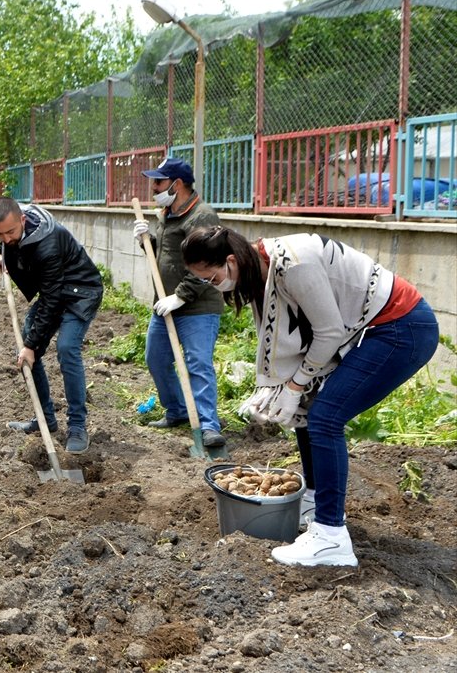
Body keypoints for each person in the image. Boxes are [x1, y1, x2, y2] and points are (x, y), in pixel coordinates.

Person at [182, 226, 439, 567]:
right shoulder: (262, 267)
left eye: (213, 279)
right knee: (309, 408)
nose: (215, 287)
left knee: (326, 418)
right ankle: (317, 503)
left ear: (231, 261)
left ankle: (331, 536)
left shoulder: (294, 263)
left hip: (400, 327)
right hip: (373, 328)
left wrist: (295, 385)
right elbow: (288, 340)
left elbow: (329, 331)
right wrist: (276, 389)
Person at [0, 197, 102, 454]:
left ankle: (77, 426)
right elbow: (6, 240)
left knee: (66, 349)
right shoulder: (12, 227)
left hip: (81, 291)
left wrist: (31, 345)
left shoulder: (48, 242)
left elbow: (52, 300)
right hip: (56, 288)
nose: (6, 238)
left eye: (10, 232)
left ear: (23, 220)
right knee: (28, 353)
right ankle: (45, 420)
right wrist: (1, 254)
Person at [133, 157, 226, 449]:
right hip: (165, 304)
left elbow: (208, 262)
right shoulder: (166, 213)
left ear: (178, 184)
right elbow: (168, 255)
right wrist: (146, 240)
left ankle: (209, 426)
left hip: (197, 307)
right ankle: (177, 411)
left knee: (198, 363)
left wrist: (181, 296)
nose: (154, 187)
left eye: (159, 182)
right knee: (156, 358)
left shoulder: (202, 216)